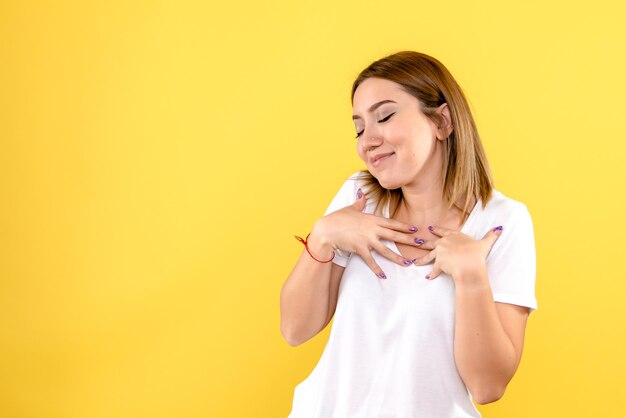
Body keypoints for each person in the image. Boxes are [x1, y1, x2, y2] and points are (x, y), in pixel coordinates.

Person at [280, 51, 537, 418]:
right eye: (358, 127)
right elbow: (294, 329)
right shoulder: (359, 198)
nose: (367, 140)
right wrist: (321, 237)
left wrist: (471, 277)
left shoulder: (501, 222)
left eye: (384, 116)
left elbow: (488, 387)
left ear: (442, 122)